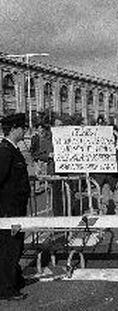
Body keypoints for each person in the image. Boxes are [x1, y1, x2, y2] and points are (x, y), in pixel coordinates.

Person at [0, 113, 30, 300]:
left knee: (15, 246)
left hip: (16, 209)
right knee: (9, 248)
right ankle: (6, 289)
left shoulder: (13, 150)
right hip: (8, 210)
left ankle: (15, 279)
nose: (24, 130)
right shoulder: (5, 151)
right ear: (13, 129)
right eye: (22, 128)